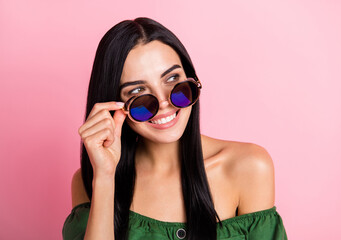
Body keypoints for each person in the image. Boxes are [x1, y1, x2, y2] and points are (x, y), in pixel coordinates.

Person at [62, 17, 287, 240]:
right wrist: (104, 177)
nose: (163, 102)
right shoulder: (91, 179)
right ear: (114, 106)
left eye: (172, 79)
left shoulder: (248, 166)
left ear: (192, 80)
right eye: (137, 93)